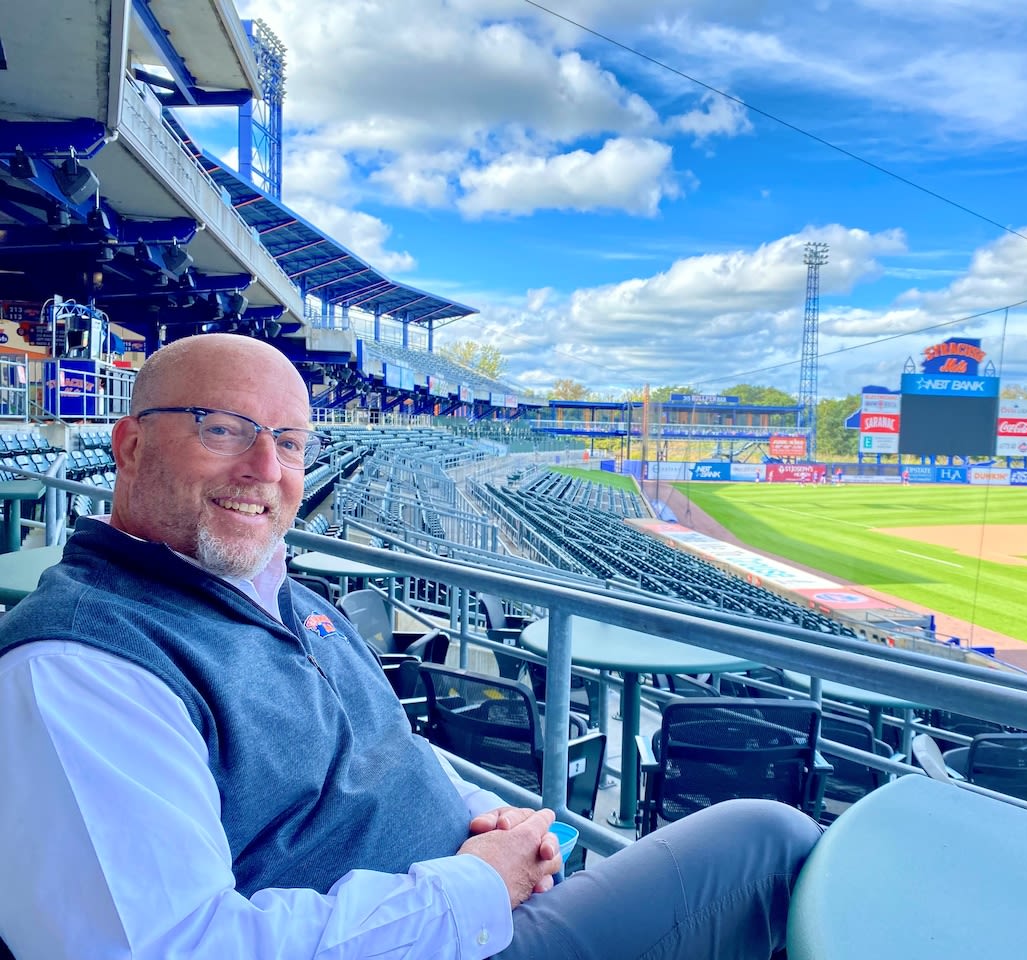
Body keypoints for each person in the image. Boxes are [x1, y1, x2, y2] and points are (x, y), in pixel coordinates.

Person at [0, 334, 820, 960]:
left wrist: (481, 817)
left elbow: (387, 748)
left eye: (289, 442)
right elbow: (177, 948)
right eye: (224, 429)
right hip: (454, 932)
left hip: (465, 898)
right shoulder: (79, 668)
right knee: (767, 843)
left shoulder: (284, 596)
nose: (265, 467)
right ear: (129, 445)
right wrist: (479, 883)